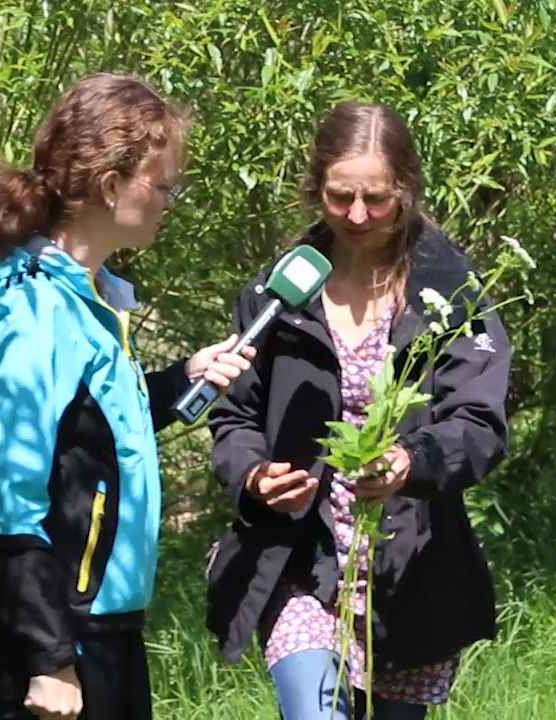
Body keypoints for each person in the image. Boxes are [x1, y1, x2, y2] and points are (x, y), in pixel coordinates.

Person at [0, 72, 255, 720]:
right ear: (111, 186)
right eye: (163, 185)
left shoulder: (87, 296)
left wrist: (182, 380)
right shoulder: (33, 312)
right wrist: (49, 660)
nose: (169, 200)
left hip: (99, 623)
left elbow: (90, 433)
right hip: (59, 633)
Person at [204, 101, 513, 719]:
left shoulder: (450, 293)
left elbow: (479, 424)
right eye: (339, 195)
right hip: (300, 560)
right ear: (315, 188)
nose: (356, 214)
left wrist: (411, 463)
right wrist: (256, 476)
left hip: (410, 570)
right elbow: (234, 418)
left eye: (376, 197)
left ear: (407, 190)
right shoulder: (274, 296)